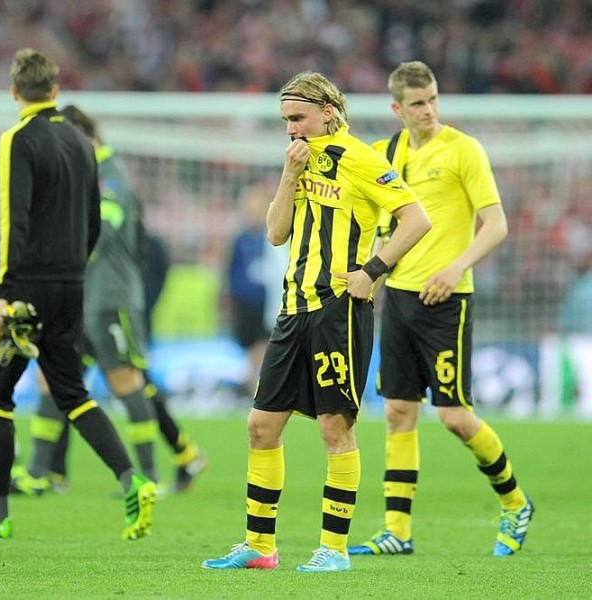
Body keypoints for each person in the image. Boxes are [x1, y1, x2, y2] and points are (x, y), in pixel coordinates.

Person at [202, 70, 430, 572]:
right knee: (261, 426)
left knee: (334, 428)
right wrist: (287, 177)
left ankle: (334, 549)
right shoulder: (298, 160)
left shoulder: (362, 159)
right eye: (285, 120)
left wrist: (373, 271)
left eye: (298, 117)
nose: (291, 128)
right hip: (293, 309)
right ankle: (260, 547)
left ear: (328, 111)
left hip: (338, 312)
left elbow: (417, 218)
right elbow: (276, 234)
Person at [0, 49, 156, 541]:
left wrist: (2, 292)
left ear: (14, 93)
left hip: (27, 287)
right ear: (56, 90)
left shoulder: (15, 140)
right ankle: (133, 477)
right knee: (73, 393)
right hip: (72, 285)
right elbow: (95, 221)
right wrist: (73, 271)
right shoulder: (83, 143)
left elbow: (13, 219)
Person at [347, 61, 533, 558]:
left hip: (448, 299)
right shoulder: (385, 153)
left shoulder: (464, 149)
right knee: (398, 414)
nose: (428, 110)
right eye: (417, 103)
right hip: (399, 298)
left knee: (452, 415)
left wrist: (455, 268)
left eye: (432, 99)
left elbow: (495, 224)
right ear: (397, 108)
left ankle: (516, 503)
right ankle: (396, 531)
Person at [10, 104, 207, 497]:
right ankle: (38, 472)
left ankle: (147, 476)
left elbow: (100, 235)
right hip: (78, 299)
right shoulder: (83, 174)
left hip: (109, 298)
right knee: (52, 378)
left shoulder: (110, 178)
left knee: (127, 382)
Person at [226, 182, 273, 398]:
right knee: (254, 345)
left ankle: (252, 383)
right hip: (245, 303)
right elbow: (231, 270)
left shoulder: (275, 238)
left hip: (269, 303)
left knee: (265, 343)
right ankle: (253, 384)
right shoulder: (241, 239)